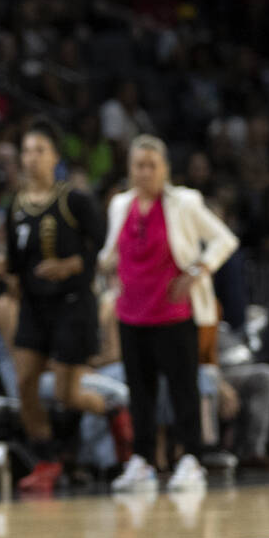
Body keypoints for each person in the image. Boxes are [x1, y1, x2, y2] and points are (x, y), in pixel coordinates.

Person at [99, 135, 237, 493]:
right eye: (138, 166)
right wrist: (107, 266)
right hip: (131, 312)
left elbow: (224, 239)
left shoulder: (184, 202)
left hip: (174, 312)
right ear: (129, 169)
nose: (144, 172)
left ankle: (191, 459)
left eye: (151, 166)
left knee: (183, 390)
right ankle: (142, 461)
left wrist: (197, 271)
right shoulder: (120, 205)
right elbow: (109, 251)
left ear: (165, 170)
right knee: (140, 393)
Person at [0, 120, 127, 493]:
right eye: (26, 150)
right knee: (24, 383)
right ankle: (48, 460)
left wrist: (71, 265)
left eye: (39, 150)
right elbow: (13, 260)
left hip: (73, 304)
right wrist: (3, 269)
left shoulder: (75, 200)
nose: (32, 158)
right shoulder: (17, 206)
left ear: (55, 156)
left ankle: (116, 414)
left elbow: (103, 246)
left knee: (66, 394)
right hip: (35, 306)